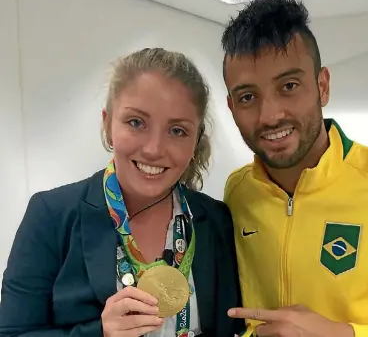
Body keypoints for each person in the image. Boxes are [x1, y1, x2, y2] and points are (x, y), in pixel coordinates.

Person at [221, 0, 368, 337]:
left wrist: (343, 334)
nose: (270, 115)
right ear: (231, 106)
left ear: (322, 87)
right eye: (248, 96)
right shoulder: (238, 191)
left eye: (288, 86)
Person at [0, 48, 245, 337]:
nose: (154, 149)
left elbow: (232, 327)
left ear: (196, 140)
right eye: (136, 122)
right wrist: (99, 333)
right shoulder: (52, 216)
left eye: (177, 130)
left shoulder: (214, 220)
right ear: (108, 124)